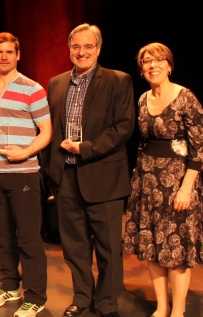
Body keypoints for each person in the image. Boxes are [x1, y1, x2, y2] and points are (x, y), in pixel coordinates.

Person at [42, 23, 135, 317]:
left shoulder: (118, 81)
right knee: (74, 246)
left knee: (109, 247)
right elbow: (50, 130)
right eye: (76, 47)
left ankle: (106, 302)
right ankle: (82, 297)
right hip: (67, 178)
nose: (81, 52)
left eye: (88, 47)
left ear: (98, 49)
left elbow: (123, 127)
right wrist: (51, 173)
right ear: (69, 49)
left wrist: (87, 148)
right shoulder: (56, 83)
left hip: (103, 176)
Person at [123, 43, 203, 317]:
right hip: (147, 181)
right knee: (153, 244)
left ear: (169, 65)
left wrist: (186, 188)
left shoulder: (185, 97)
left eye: (159, 60)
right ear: (141, 68)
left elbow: (199, 148)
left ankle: (178, 310)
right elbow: (143, 142)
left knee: (176, 247)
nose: (152, 65)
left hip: (178, 182)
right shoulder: (143, 99)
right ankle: (161, 306)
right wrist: (138, 178)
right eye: (147, 61)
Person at [0, 32, 52, 317]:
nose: (4, 57)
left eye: (10, 52)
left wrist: (26, 151)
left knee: (29, 237)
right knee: (2, 235)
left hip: (23, 172)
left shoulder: (33, 88)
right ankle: (10, 286)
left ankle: (35, 296)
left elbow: (47, 132)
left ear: (18, 55)